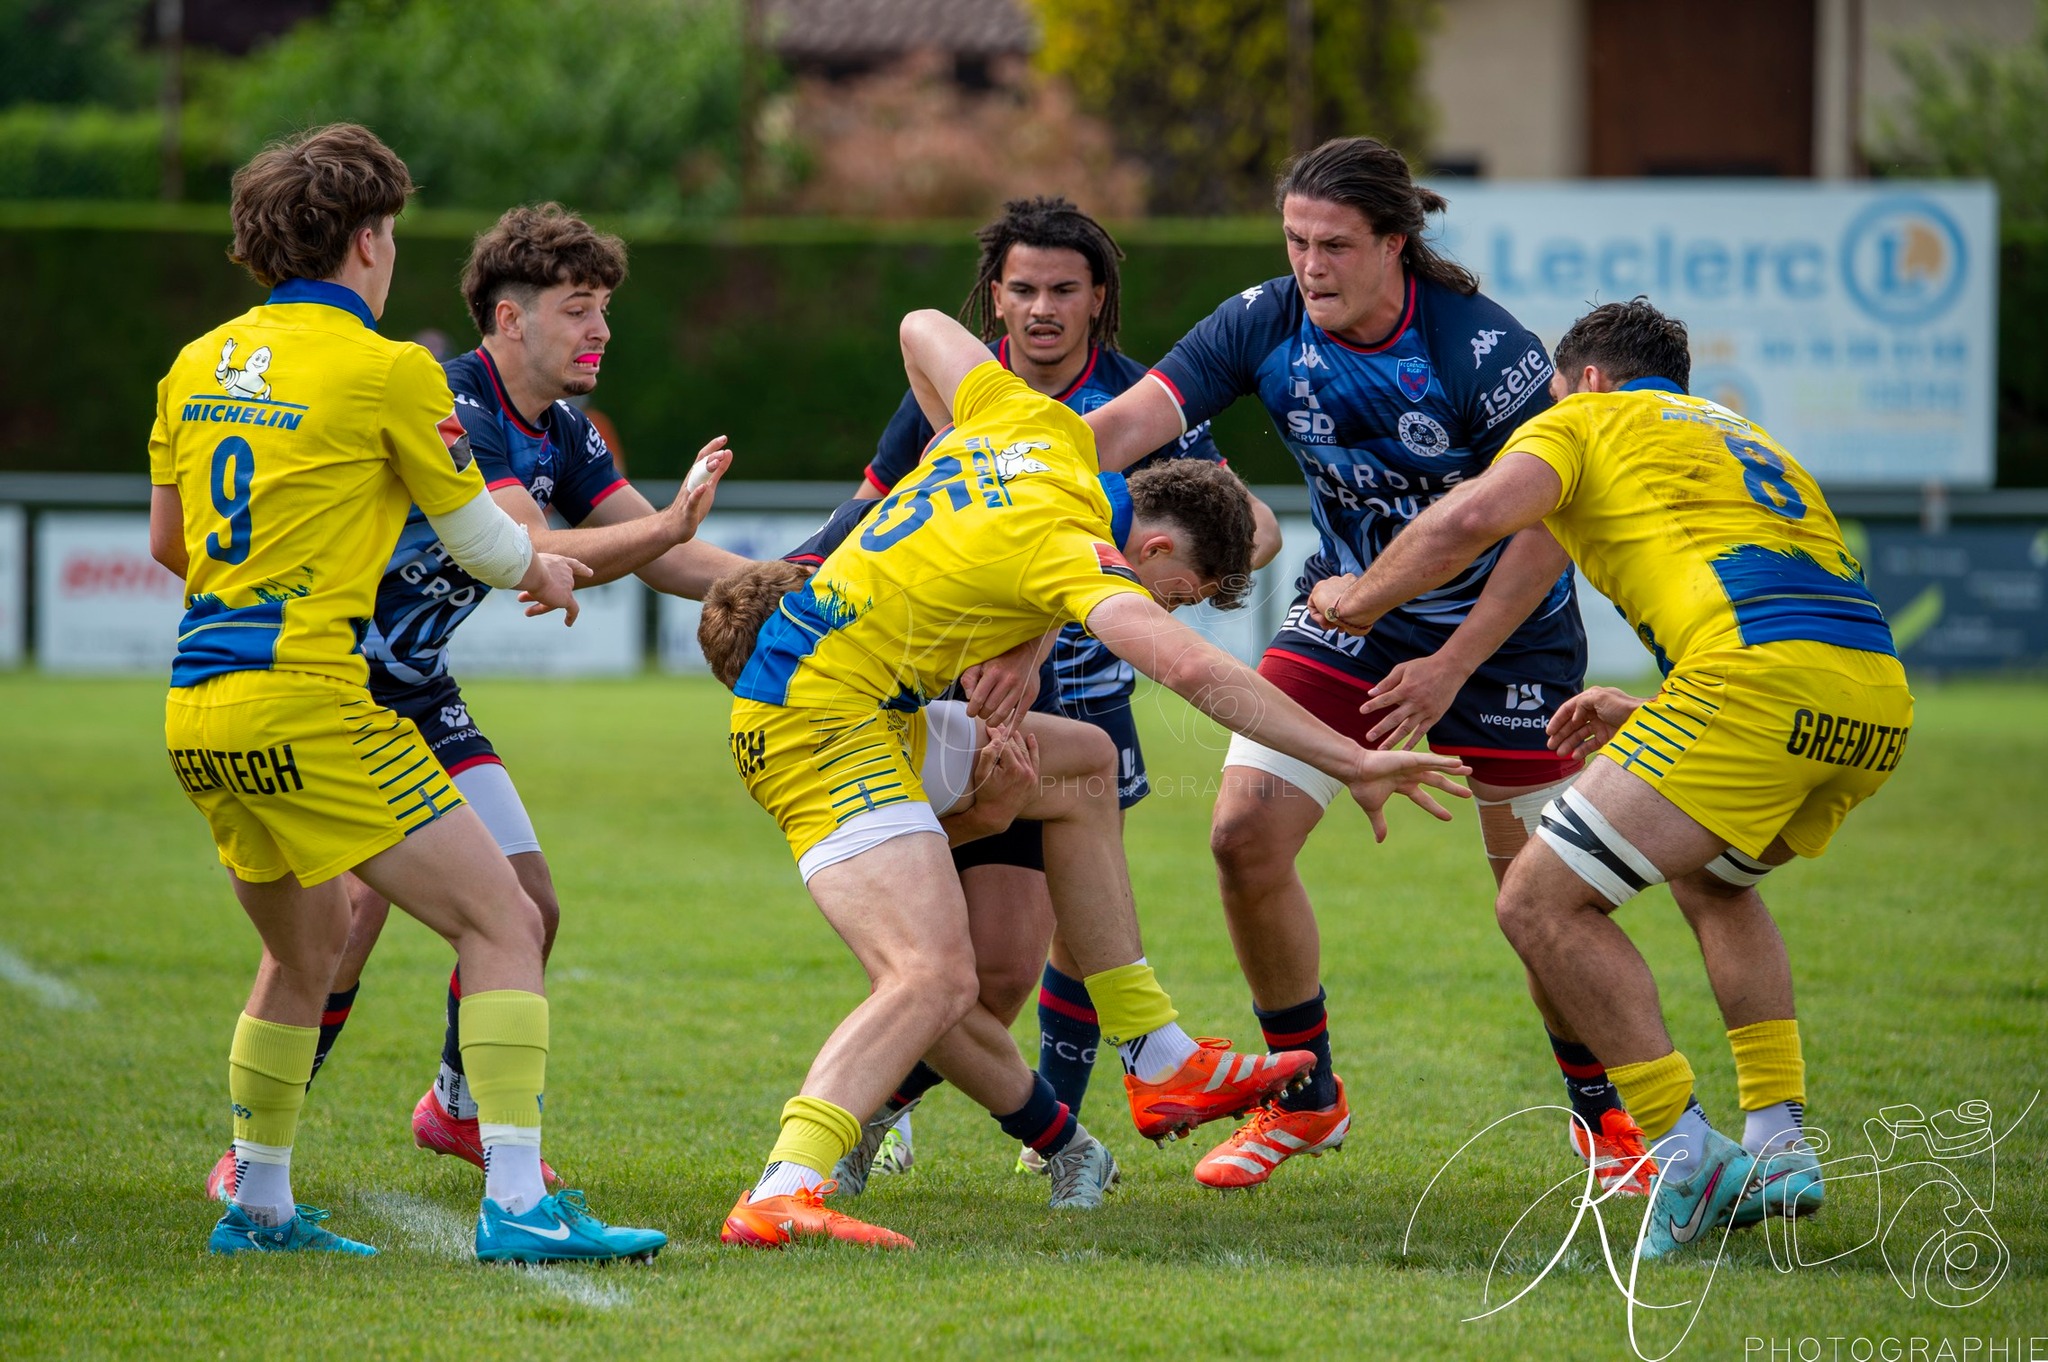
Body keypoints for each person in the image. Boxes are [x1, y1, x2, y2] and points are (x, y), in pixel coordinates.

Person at [707, 307, 1471, 1250]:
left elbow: (916, 327)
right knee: (934, 976)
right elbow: (1192, 671)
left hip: (864, 700)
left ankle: (1154, 1054)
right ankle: (786, 1187)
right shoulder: (1076, 552)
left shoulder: (1034, 425)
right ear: (1150, 548)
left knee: (1082, 765)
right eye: (1176, 593)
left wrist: (956, 476)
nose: (1163, 605)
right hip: (815, 721)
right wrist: (1349, 757)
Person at [1081, 136, 1640, 1192]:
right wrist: (1014, 467)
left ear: (1394, 244)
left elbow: (1548, 525)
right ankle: (1307, 1101)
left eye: (1332, 244)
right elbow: (1121, 426)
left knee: (1540, 899)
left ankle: (1604, 1123)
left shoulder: (1483, 352)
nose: (1308, 265)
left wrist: (1449, 664)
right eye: (1294, 240)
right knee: (1242, 835)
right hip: (1347, 614)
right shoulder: (1262, 321)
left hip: (1505, 638)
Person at [150, 125, 663, 1262]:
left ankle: (263, 1207)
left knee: (306, 946)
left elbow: (169, 540)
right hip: (318, 701)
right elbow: (483, 540)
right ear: (370, 241)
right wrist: (547, 568)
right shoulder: (391, 370)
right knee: (505, 920)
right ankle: (521, 1206)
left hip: (198, 704)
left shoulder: (196, 362)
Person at [1321, 297, 1911, 1260]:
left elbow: (1469, 517)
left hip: (1751, 685)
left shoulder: (1586, 418)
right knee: (1717, 881)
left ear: (1585, 380)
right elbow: (1761, 582)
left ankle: (1685, 1152)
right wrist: (1652, 713)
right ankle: (1779, 1136)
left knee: (1536, 904)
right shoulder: (1738, 434)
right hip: (1870, 697)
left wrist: (1358, 597)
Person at [199, 202, 746, 1201]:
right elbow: (521, 543)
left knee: (529, 909)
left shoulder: (567, 430)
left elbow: (654, 550)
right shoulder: (457, 401)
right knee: (346, 926)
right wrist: (661, 528)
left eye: (604, 313)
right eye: (578, 310)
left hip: (417, 689)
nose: (600, 331)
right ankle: (251, 1159)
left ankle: (454, 1107)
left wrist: (789, 587)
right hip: (335, 685)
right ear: (508, 320)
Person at [848, 195, 1284, 1178]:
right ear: (993, 299)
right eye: (1021, 288)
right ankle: (892, 1108)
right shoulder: (969, 395)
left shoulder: (1144, 405)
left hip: (1085, 705)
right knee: (954, 952)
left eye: (1062, 290)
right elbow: (877, 511)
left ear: (1098, 302)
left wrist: (1097, 601)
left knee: (1040, 952)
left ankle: (1039, 1128)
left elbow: (1248, 527)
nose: (1040, 307)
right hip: (950, 699)